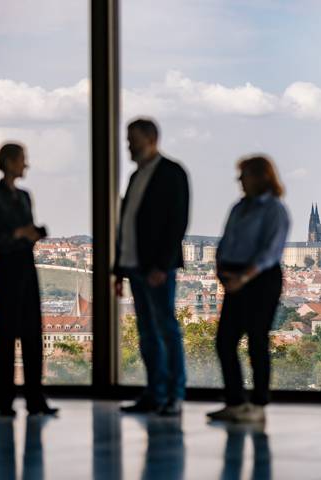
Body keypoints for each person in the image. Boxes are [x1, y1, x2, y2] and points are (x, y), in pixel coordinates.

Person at [114, 118, 190, 416]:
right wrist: (119, 269)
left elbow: (177, 223)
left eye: (132, 139)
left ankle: (173, 394)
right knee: (148, 332)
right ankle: (156, 393)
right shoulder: (137, 176)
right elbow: (127, 226)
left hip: (156, 267)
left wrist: (162, 264)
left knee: (165, 330)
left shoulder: (171, 173)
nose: (128, 145)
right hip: (135, 265)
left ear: (151, 138)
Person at [207, 155, 290, 423]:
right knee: (224, 342)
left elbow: (270, 252)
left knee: (257, 341)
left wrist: (243, 278)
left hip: (260, 281)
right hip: (234, 278)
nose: (239, 180)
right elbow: (225, 241)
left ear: (259, 177)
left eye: (243, 175)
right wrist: (222, 271)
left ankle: (258, 405)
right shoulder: (239, 207)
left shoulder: (274, 210)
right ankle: (235, 401)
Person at [0, 143, 58, 418]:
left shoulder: (19, 196)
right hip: (12, 266)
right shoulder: (0, 197)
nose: (26, 165)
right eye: (23, 160)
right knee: (9, 335)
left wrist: (28, 234)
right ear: (11, 163)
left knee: (29, 334)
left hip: (22, 265)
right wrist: (20, 234)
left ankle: (24, 399)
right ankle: (11, 400)